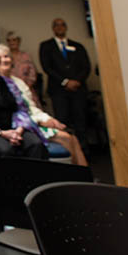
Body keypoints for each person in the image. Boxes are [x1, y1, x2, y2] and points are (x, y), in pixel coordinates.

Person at [0, 44, 87, 166]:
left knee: (73, 138)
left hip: (32, 120)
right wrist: (39, 121)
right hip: (18, 126)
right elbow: (13, 113)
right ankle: (77, 179)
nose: (5, 60)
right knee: (65, 138)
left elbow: (31, 107)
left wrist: (47, 119)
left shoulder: (18, 82)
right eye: (0, 58)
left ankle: (86, 179)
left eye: (7, 56)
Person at [38, 17, 91, 154]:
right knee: (62, 120)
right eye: (57, 25)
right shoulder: (46, 46)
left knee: (81, 120)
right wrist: (65, 82)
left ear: (66, 27)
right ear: (53, 28)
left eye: (62, 25)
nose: (60, 27)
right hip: (58, 91)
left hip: (78, 90)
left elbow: (86, 67)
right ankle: (68, 151)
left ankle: (84, 151)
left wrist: (76, 81)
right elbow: (47, 67)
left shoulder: (77, 46)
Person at [5, 31, 41, 104]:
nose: (12, 42)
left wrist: (25, 86)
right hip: (10, 90)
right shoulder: (5, 57)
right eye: (9, 40)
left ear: (19, 41)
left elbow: (32, 74)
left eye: (14, 40)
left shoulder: (26, 56)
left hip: (27, 88)